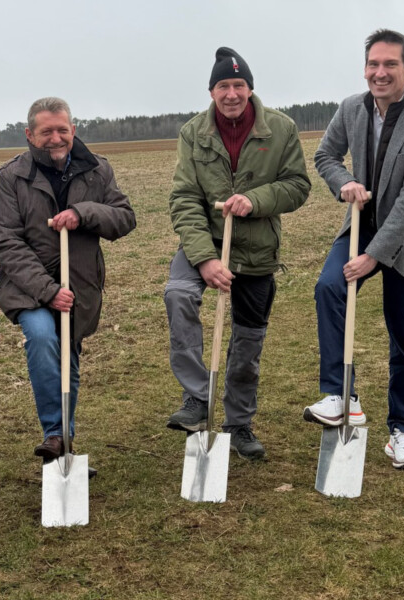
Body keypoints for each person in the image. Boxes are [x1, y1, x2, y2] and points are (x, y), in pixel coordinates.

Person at [304, 29, 404, 470]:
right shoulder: (351, 108)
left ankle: (402, 432)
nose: (380, 72)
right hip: (363, 226)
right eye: (373, 64)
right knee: (330, 288)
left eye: (390, 64)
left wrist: (374, 257)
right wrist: (344, 181)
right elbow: (325, 156)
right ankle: (341, 395)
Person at [165, 48, 311, 460]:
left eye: (238, 85)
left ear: (250, 88)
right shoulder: (193, 133)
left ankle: (239, 423)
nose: (231, 94)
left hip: (257, 250)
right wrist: (205, 259)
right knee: (178, 294)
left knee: (247, 344)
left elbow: (298, 185)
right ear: (211, 91)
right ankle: (197, 398)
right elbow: (184, 198)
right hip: (205, 242)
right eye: (223, 86)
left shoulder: (280, 129)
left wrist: (255, 199)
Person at [0, 97, 136, 473]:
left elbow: (123, 218)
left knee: (67, 357)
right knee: (41, 337)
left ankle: (64, 444)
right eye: (46, 131)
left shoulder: (97, 171)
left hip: (80, 283)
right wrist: (47, 290)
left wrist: (83, 213)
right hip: (27, 286)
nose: (55, 138)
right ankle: (56, 433)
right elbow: (4, 241)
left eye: (62, 130)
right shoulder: (10, 177)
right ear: (29, 134)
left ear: (73, 130)